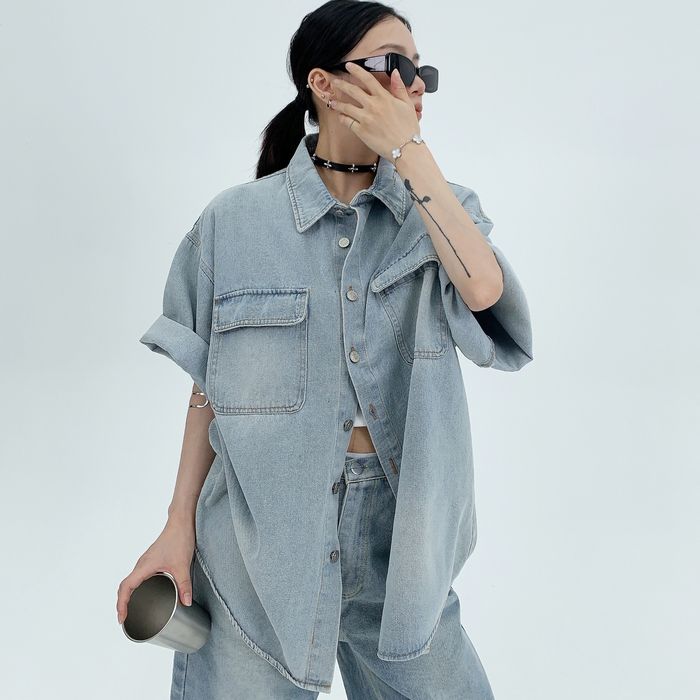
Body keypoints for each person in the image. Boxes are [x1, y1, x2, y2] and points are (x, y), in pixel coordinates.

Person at [117, 0, 533, 697]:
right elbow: (210, 390)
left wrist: (409, 152)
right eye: (390, 64)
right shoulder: (234, 222)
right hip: (254, 539)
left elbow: (486, 291)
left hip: (404, 547)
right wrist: (175, 524)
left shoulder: (440, 211)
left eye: (421, 71)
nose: (413, 85)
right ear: (323, 83)